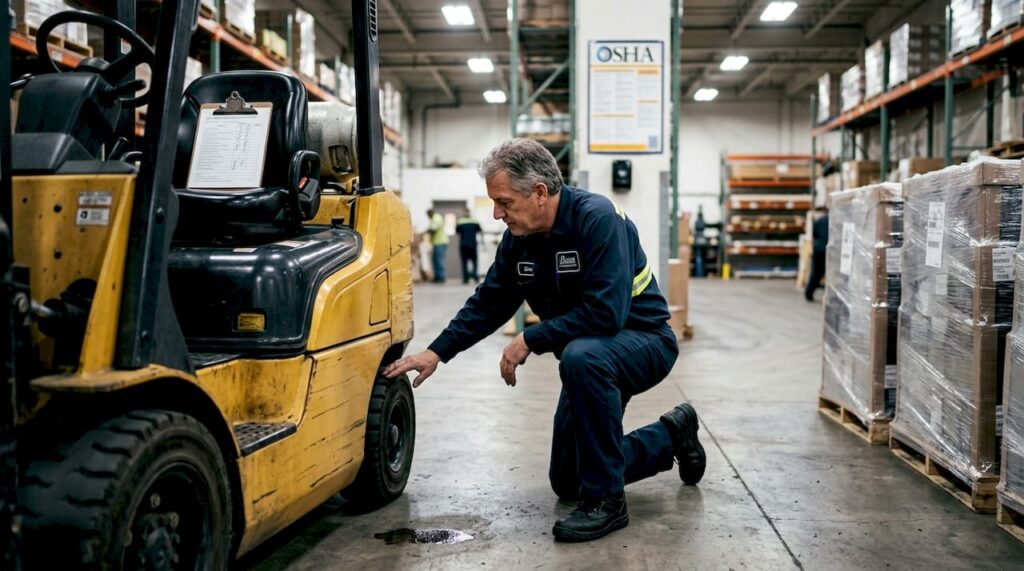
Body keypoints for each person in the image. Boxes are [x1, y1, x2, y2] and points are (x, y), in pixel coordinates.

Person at [385, 139, 706, 543]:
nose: (497, 214)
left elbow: (606, 314)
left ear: (539, 192)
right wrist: (437, 351)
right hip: (590, 354)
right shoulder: (521, 236)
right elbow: (491, 300)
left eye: (503, 202)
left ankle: (607, 503)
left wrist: (530, 339)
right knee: (568, 479)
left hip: (644, 341)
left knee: (581, 355)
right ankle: (671, 435)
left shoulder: (598, 219)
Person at [805, 208, 829, 302]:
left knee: (816, 272)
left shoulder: (819, 220)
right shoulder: (833, 222)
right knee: (822, 272)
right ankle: (810, 292)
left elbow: (814, 234)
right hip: (826, 249)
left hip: (818, 248)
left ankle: (809, 293)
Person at [455, 208, 483, 284]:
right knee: (474, 261)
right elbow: (480, 231)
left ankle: (465, 279)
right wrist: (482, 242)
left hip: (463, 244)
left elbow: (457, 231)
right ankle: (474, 276)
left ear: (464, 212)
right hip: (473, 244)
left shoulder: (460, 221)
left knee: (464, 262)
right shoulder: (475, 221)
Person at [426, 208, 449, 283]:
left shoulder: (436, 218)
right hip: (437, 243)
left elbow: (433, 229)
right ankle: (437, 277)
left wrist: (426, 231)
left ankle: (440, 277)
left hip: (440, 242)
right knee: (435, 260)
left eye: (428, 215)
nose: (428, 217)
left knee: (438, 260)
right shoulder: (434, 218)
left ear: (430, 213)